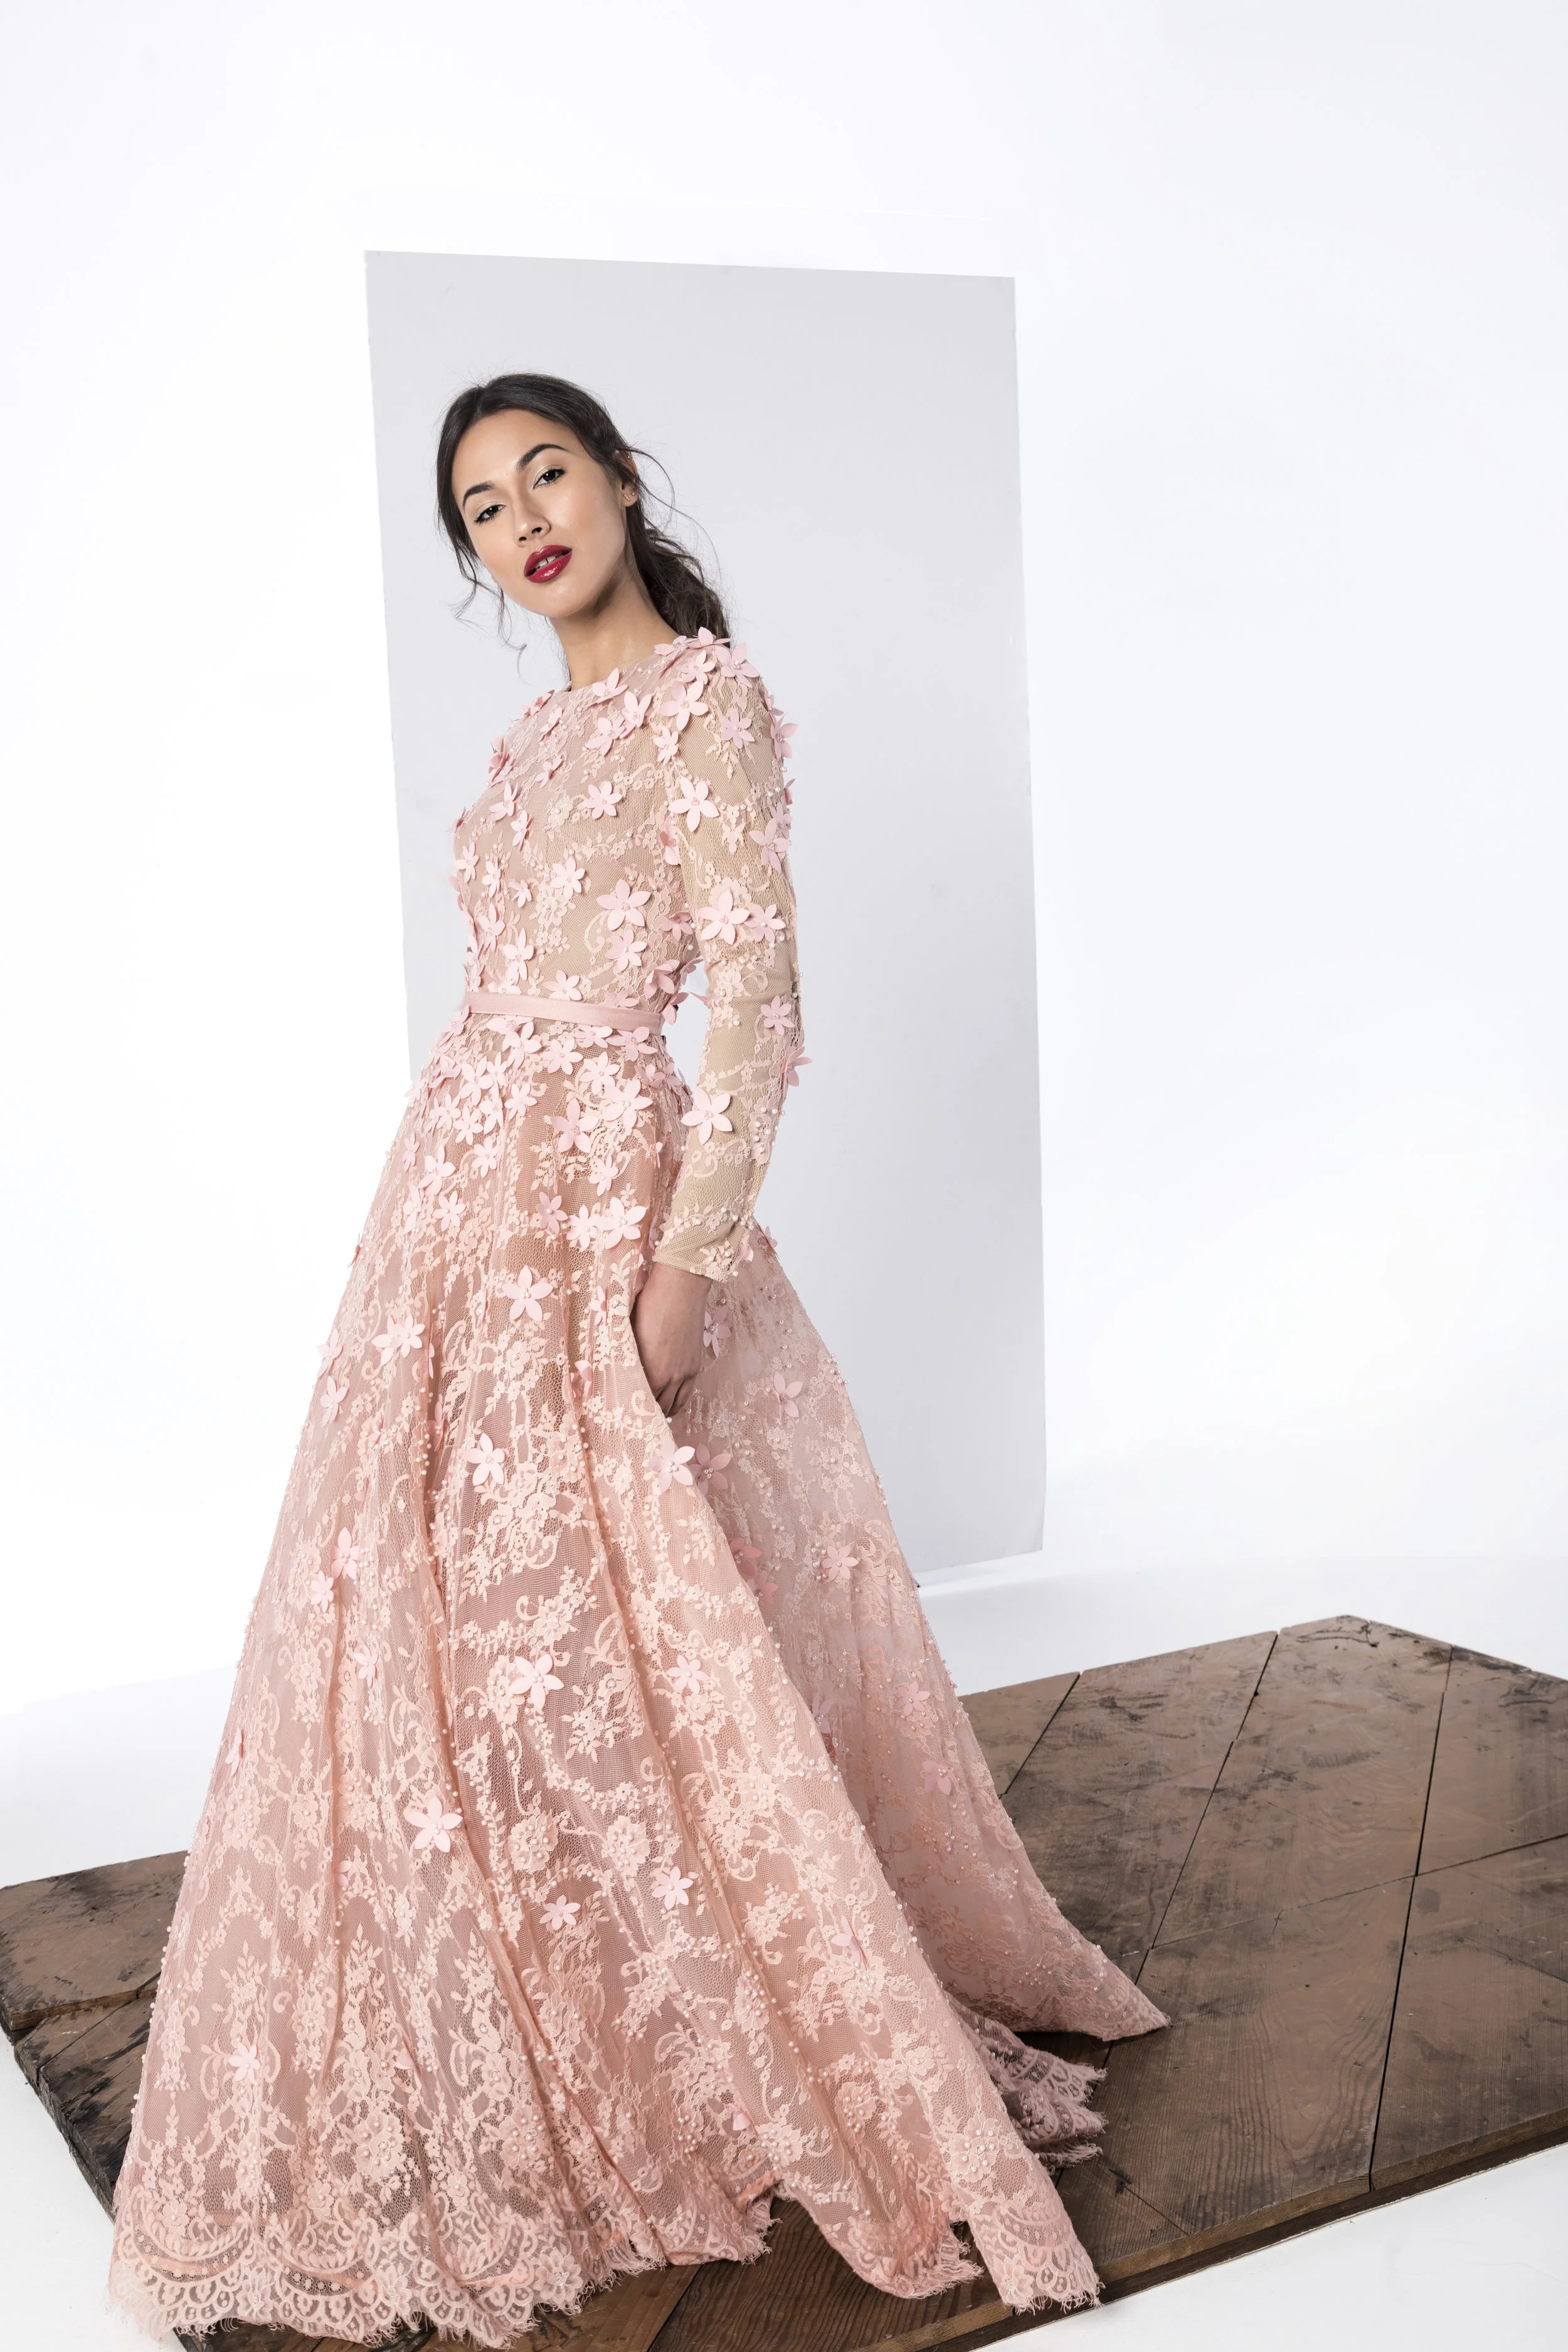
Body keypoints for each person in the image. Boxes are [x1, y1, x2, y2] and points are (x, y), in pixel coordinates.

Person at [107, 373, 1166, 2347]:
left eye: (547, 473)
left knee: (625, 1617)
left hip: (605, 1195)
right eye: (480, 505)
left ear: (615, 482)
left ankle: (684, 2013)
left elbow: (756, 998)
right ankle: (538, 1986)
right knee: (466, 1619)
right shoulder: (528, 737)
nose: (522, 517)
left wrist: (684, 1265)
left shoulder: (704, 700)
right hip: (452, 1205)